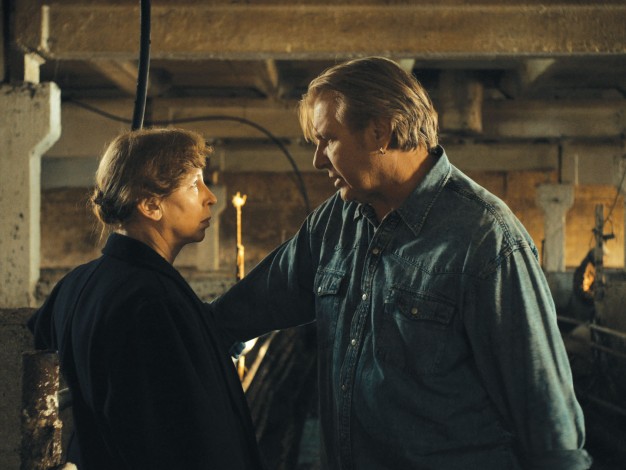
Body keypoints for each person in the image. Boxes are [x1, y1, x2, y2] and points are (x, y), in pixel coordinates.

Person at [212, 57, 592, 469]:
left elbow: (547, 419)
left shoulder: (486, 239)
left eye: (329, 140)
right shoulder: (334, 223)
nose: (319, 159)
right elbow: (239, 313)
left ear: (380, 132)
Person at [28, 128, 265, 470]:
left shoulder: (75, 284)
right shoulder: (153, 302)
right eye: (194, 184)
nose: (210, 197)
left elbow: (42, 341)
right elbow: (182, 440)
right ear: (151, 205)